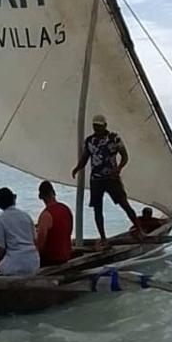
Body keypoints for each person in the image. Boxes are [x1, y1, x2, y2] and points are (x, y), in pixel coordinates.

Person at [71, 113, 142, 246]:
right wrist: (77, 168)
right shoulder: (90, 141)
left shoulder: (114, 138)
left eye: (99, 126)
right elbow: (85, 157)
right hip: (96, 180)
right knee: (97, 209)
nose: (96, 129)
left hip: (111, 178)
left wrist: (119, 168)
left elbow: (125, 156)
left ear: (105, 126)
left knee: (124, 203)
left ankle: (140, 230)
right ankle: (103, 238)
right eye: (95, 126)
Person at [0, 187, 40, 275]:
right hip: (34, 261)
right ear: (14, 199)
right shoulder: (26, 216)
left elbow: (0, 248)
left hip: (16, 263)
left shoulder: (0, 220)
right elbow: (35, 240)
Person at [36, 180, 73, 267]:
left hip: (51, 259)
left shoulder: (46, 215)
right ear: (54, 193)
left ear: (41, 197)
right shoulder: (66, 209)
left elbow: (40, 245)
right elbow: (69, 231)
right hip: (66, 255)